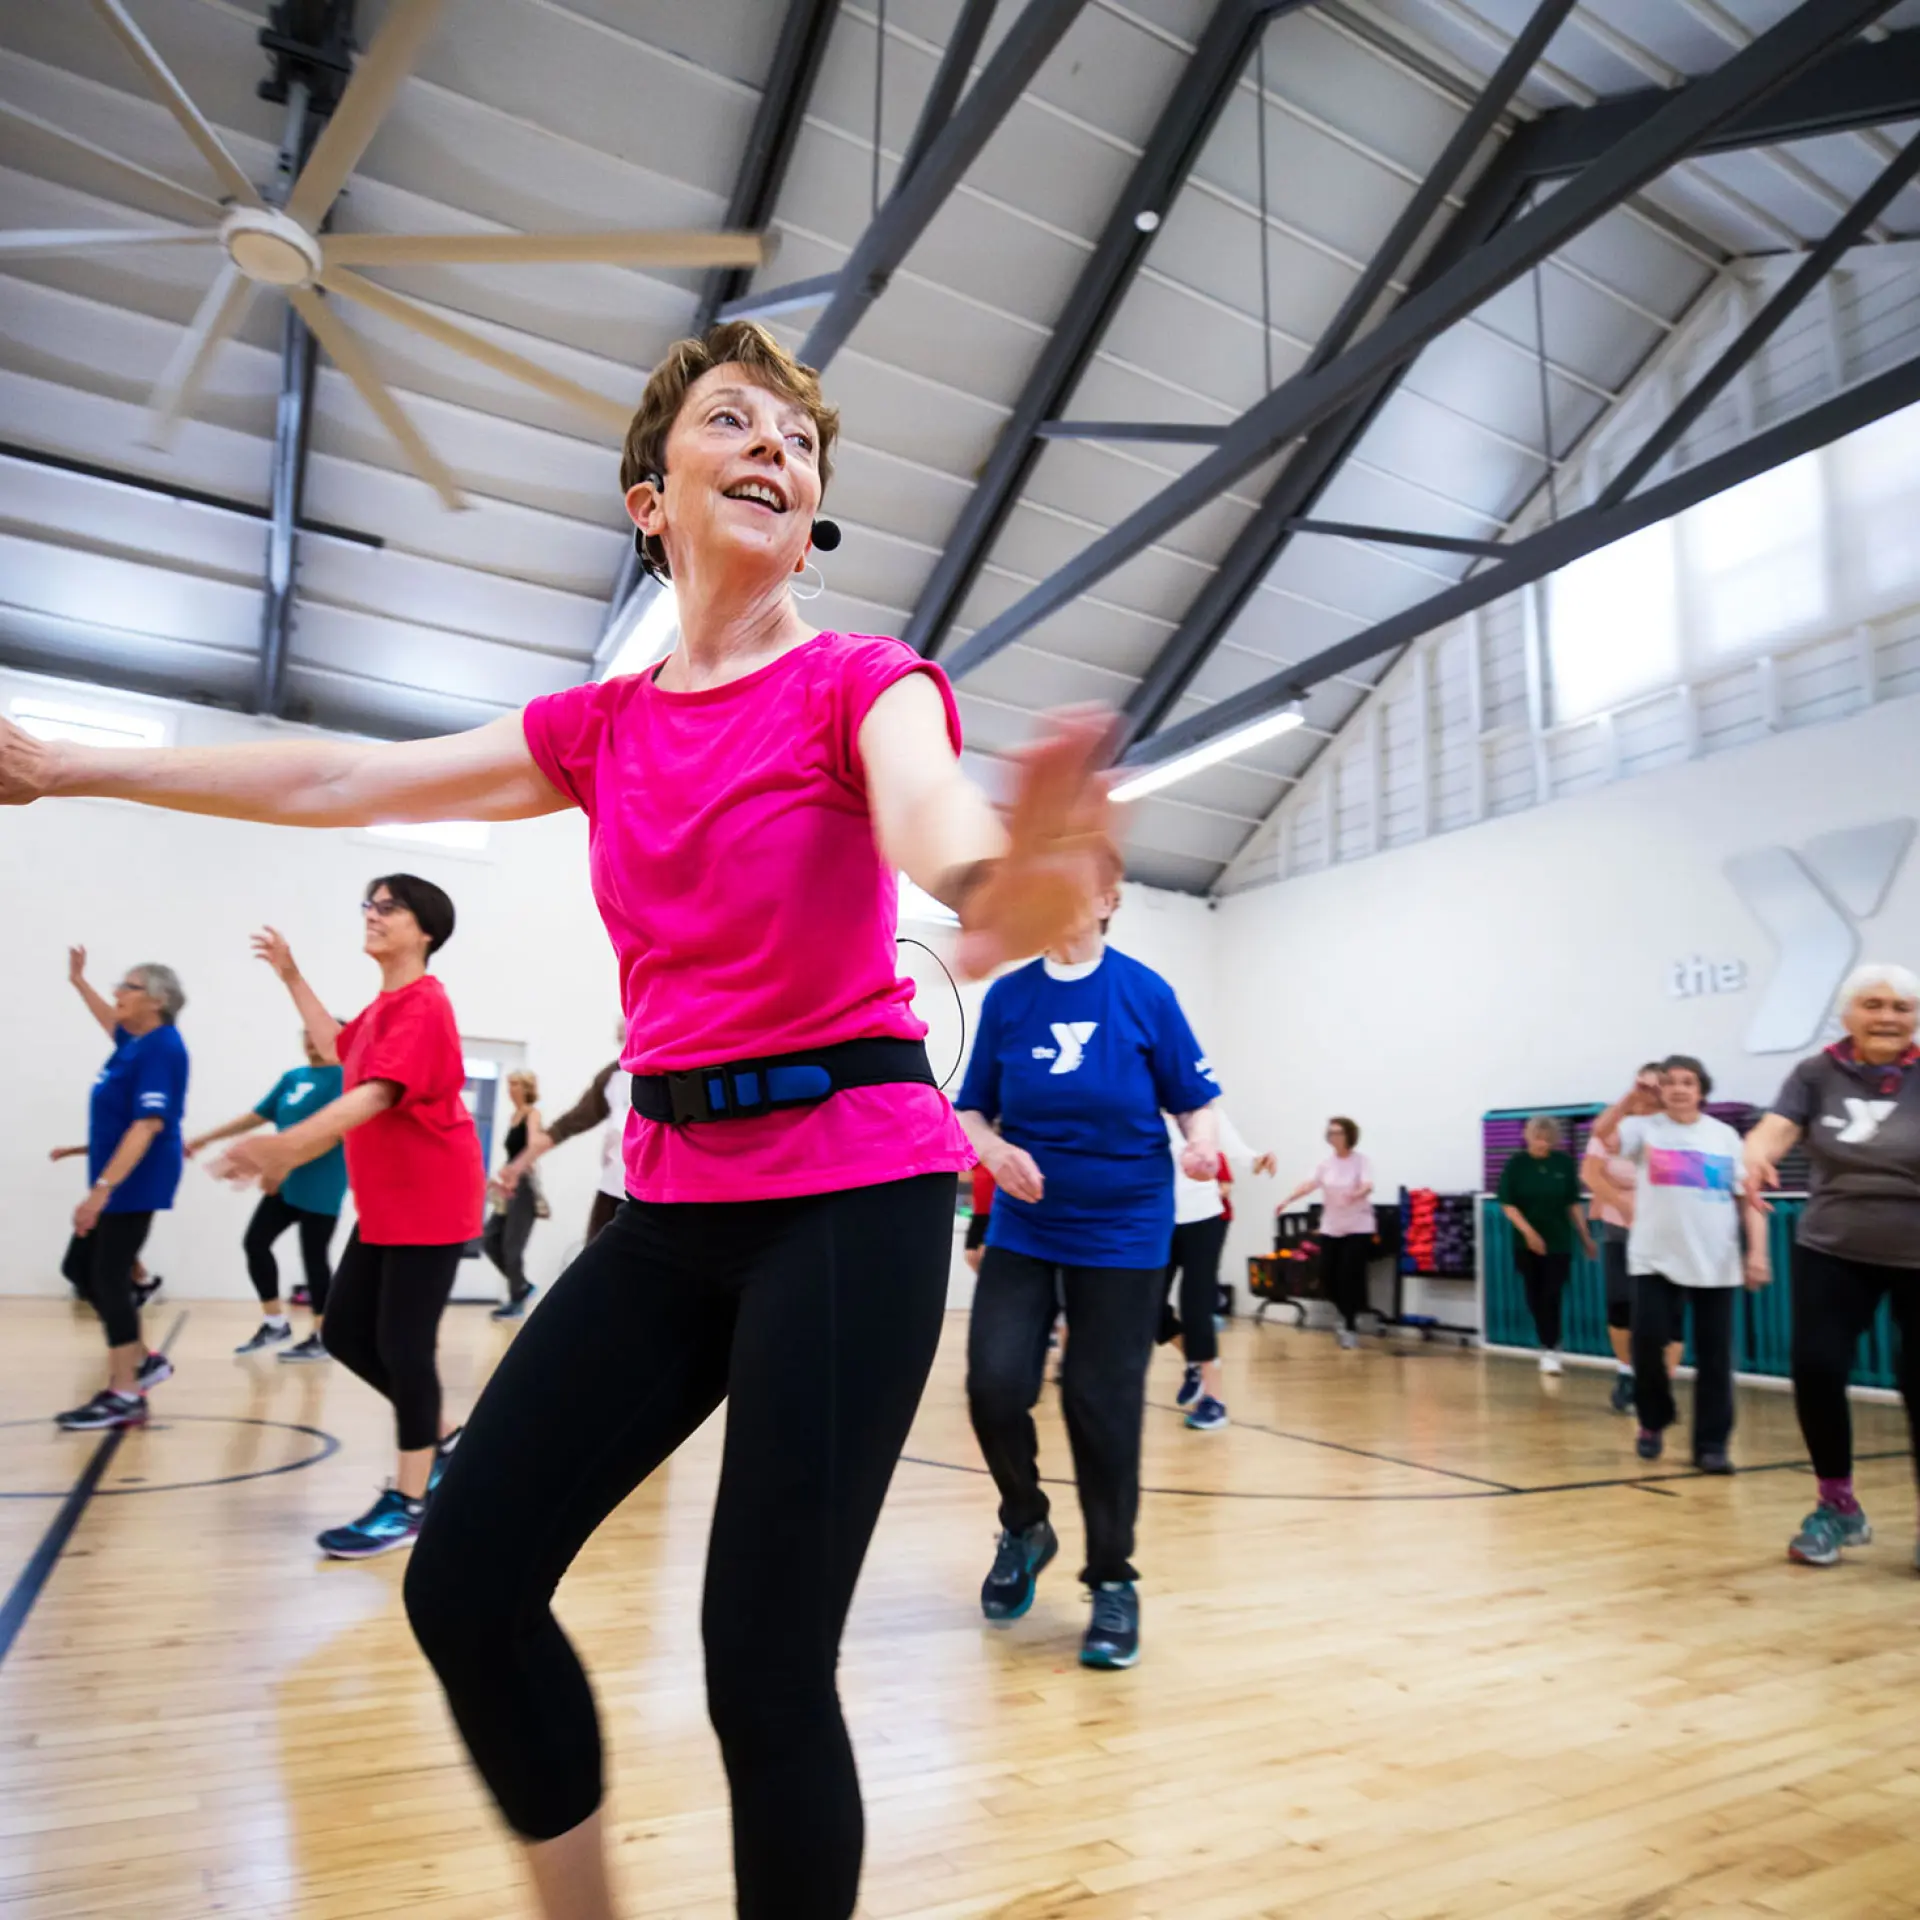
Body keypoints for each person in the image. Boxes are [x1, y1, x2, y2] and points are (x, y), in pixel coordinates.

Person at [0, 317, 1112, 1920]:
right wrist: (68, 762)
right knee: (464, 1583)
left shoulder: (865, 686)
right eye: (735, 424)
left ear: (813, 513)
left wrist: (1009, 874)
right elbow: (341, 782)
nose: (777, 454)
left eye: (800, 446)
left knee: (761, 1665)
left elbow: (939, 826)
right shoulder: (604, 729)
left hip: (851, 1198)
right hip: (670, 1209)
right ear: (649, 497)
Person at [957, 849, 1221, 1670]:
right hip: (1029, 1226)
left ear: (1107, 900)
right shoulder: (1009, 997)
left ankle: (1112, 1579)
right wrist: (995, 1154)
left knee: (1099, 1404)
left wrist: (1202, 1146)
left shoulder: (1145, 994)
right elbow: (971, 1113)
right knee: (995, 1384)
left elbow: (1197, 1099)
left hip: (1125, 1228)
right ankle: (1024, 1521)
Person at [217, 897, 482, 1557]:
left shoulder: (425, 1003)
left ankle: (411, 1502)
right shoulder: (383, 1010)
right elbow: (342, 1048)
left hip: (431, 1201)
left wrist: (288, 1147)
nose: (372, 912)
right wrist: (290, 975)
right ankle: (448, 1441)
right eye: (370, 902)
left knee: (403, 1346)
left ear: (426, 929)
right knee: (343, 1333)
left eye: (389, 906)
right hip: (388, 1205)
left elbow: (378, 1092)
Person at [1743, 964, 1920, 1569]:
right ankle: (1838, 1507)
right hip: (1832, 1244)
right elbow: (1773, 1131)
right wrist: (1754, 1159)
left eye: (1901, 1007)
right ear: (1848, 1015)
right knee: (1817, 1367)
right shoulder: (1815, 1074)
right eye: (1874, 1004)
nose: (1888, 1017)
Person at [1593, 1056, 1762, 1471]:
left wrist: (1757, 1252)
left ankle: (1711, 1445)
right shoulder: (1643, 1129)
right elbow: (1602, 1134)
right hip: (1654, 1258)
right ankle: (1652, 1420)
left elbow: (1748, 1199)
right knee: (1647, 1345)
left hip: (1716, 1260)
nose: (1679, 1089)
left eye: (1688, 1082)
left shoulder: (1725, 1137)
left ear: (1701, 1090)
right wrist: (1629, 1100)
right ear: (1661, 1091)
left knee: (1716, 1358)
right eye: (1670, 1083)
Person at [52, 949, 189, 1430]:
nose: (117, 995)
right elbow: (106, 1018)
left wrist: (102, 1190)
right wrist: (78, 982)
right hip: (116, 1176)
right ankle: (142, 1362)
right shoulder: (132, 1042)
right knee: (80, 1268)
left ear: (155, 1000)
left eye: (126, 988)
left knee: (108, 1277)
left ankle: (125, 1393)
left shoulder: (162, 1048)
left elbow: (148, 1125)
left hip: (137, 1178)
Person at [185, 1029, 346, 1360]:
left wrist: (281, 1166)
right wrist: (205, 1138)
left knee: (314, 1256)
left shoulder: (346, 1080)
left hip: (321, 1183)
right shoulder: (293, 1077)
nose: (311, 1040)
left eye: (321, 1035)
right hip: (282, 1182)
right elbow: (257, 1116)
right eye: (307, 1034)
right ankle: (275, 1322)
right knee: (255, 1242)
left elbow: (331, 1134)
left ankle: (323, 1334)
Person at [1583, 1064, 1683, 1412]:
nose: (1649, 1093)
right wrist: (1620, 1203)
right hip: (1620, 1227)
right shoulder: (1620, 1126)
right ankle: (1627, 1372)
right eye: (1644, 1086)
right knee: (1621, 1304)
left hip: (1666, 1228)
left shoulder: (1675, 1128)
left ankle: (1659, 1383)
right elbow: (1593, 1165)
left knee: (1668, 1312)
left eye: (1656, 1088)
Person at [1165, 1111, 1274, 1426]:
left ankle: (1215, 1400)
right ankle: (1194, 1361)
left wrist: (1256, 1158)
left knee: (1195, 1304)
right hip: (1159, 1220)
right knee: (1147, 1307)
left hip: (1203, 1219)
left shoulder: (1200, 1111)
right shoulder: (1140, 1107)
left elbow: (1234, 1145)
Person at [1496, 1115, 1596, 1375]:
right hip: (1525, 1242)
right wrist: (1529, 1233)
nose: (1542, 1144)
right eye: (1538, 1138)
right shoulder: (1516, 1164)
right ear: (1528, 1137)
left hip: (1559, 1240)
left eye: (1548, 1140)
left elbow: (1572, 1203)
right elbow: (1508, 1204)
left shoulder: (1563, 1163)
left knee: (1552, 1294)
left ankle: (1552, 1349)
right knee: (1534, 1294)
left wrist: (1585, 1236)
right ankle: (1546, 1342)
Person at [501, 1050, 628, 1247]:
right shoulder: (614, 1075)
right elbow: (568, 1124)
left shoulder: (678, 1067)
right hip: (614, 1191)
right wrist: (517, 1167)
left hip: (664, 1196)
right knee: (595, 1264)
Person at [1278, 1118, 1380, 1350]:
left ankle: (1350, 1324)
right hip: (1332, 1227)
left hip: (1358, 1227)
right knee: (1327, 1276)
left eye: (1338, 1132)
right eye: (1330, 1132)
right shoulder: (1325, 1164)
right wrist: (1287, 1200)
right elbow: (1308, 1185)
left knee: (1348, 1275)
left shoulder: (1361, 1161)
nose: (1333, 1136)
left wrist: (1355, 1194)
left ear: (1349, 1135)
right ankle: (1344, 1313)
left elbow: (1368, 1184)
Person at [483, 1070, 545, 1321]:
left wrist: (515, 1171)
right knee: (490, 1239)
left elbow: (533, 1146)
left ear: (527, 1087)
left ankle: (517, 1299)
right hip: (508, 1187)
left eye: (516, 1085)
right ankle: (522, 1287)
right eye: (509, 1085)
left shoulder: (532, 1114)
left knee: (511, 1247)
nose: (511, 1090)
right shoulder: (513, 1117)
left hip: (524, 1188)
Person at [964, 1161, 995, 1274]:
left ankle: (991, 1282)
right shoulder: (978, 1160)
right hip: (979, 1213)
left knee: (986, 1253)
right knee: (971, 1255)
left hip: (994, 1214)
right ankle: (988, 1281)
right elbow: (964, 1176)